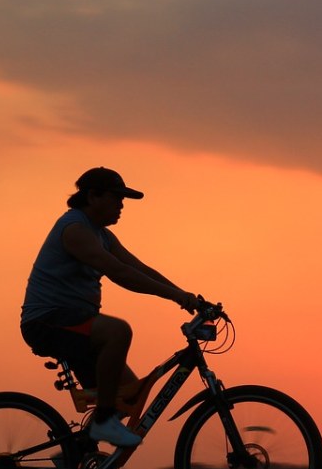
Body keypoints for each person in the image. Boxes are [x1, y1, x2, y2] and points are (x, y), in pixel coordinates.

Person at [20, 167, 199, 447]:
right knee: (117, 331)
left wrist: (185, 294)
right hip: (48, 321)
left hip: (74, 323)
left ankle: (76, 461)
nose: (121, 206)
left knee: (130, 396)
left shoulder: (102, 235)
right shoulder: (75, 230)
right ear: (93, 196)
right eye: (116, 198)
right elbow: (120, 273)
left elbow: (136, 267)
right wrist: (176, 298)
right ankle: (103, 421)